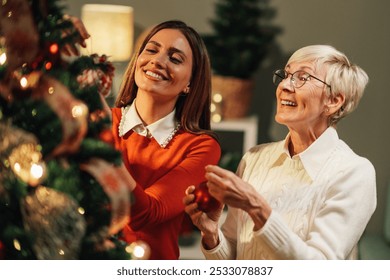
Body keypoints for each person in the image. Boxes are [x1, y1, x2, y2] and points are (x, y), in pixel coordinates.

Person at [184, 45, 376, 260]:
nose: (284, 85)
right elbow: (233, 260)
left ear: (333, 101)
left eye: (302, 77)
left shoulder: (354, 173)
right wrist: (211, 234)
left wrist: (257, 207)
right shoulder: (254, 158)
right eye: (285, 75)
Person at [96, 20, 219, 260]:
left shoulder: (201, 146)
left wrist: (101, 138)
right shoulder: (100, 121)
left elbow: (148, 214)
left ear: (190, 83)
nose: (157, 61)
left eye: (175, 59)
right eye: (151, 50)